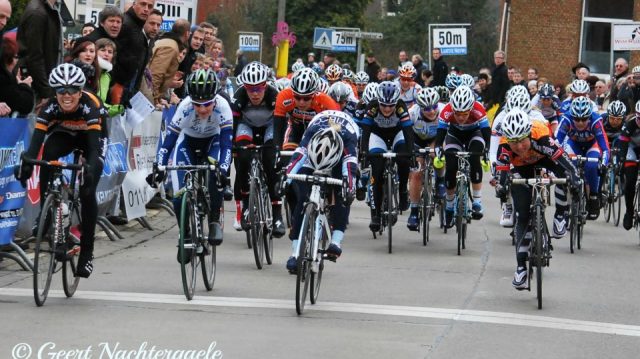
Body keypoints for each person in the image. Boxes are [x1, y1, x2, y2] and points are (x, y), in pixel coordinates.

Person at [16, 63, 107, 278]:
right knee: (47, 156)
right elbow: (35, 144)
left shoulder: (90, 105)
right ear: (55, 92)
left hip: (92, 138)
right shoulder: (49, 108)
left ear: (80, 90)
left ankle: (87, 252)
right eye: (61, 91)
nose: (67, 96)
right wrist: (28, 163)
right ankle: (47, 211)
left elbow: (95, 148)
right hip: (64, 134)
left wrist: (91, 168)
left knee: (87, 190)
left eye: (72, 90)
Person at [148, 69, 232, 260]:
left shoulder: (224, 107)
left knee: (216, 172)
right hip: (187, 142)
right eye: (197, 104)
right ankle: (185, 233)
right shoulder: (184, 107)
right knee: (179, 196)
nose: (202, 110)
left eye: (207, 104)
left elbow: (227, 145)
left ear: (215, 99)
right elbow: (169, 142)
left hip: (213, 141)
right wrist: (159, 167)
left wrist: (224, 170)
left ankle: (213, 221)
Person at [495, 108, 579, 289]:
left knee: (565, 176)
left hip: (544, 159)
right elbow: (502, 173)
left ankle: (560, 215)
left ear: (529, 134)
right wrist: (502, 188)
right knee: (523, 215)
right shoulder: (504, 146)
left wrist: (574, 176)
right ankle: (520, 268)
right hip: (520, 168)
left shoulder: (540, 135)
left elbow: (564, 160)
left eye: (522, 141)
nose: (519, 147)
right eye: (514, 143)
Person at [284, 110, 358, 272]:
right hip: (313, 155)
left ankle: (336, 241)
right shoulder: (311, 133)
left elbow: (351, 168)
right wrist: (286, 178)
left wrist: (349, 188)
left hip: (338, 157)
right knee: (302, 197)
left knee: (342, 194)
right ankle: (295, 253)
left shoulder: (348, 140)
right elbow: (298, 155)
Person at [231, 62, 285, 237]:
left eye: (259, 89)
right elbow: (233, 124)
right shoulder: (239, 97)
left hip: (270, 127)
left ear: (265, 85)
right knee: (243, 160)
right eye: (250, 89)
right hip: (247, 126)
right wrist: (235, 147)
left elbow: (280, 125)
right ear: (244, 87)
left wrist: (277, 146)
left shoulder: (274, 95)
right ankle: (246, 206)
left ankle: (277, 216)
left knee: (271, 163)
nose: (254, 94)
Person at [361, 81, 415, 231]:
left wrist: (411, 152)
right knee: (376, 173)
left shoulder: (400, 106)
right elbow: (365, 131)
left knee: (404, 159)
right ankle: (376, 215)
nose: (387, 108)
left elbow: (408, 131)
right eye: (383, 105)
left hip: (397, 134)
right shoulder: (372, 106)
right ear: (378, 101)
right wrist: (364, 153)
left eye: (391, 105)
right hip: (377, 135)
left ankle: (403, 190)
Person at [436, 85, 490, 226]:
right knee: (451, 166)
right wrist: (437, 148)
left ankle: (477, 201)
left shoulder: (478, 108)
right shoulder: (447, 110)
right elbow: (441, 132)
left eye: (465, 114)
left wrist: (487, 150)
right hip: (454, 135)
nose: (461, 117)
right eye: (457, 114)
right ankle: (449, 205)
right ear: (452, 109)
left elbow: (485, 130)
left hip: (474, 134)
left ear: (471, 109)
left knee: (474, 158)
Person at [556, 96, 610, 220]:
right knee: (569, 166)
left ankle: (593, 196)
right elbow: (556, 143)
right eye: (577, 119)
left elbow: (605, 147)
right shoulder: (566, 119)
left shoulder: (596, 121)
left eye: (584, 119)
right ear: (572, 116)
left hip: (591, 145)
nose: (580, 122)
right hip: (573, 145)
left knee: (591, 167)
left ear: (589, 116)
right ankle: (568, 196)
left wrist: (604, 163)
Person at [406, 87, 446, 230]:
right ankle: (414, 211)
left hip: (437, 138)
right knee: (416, 173)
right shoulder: (412, 113)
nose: (432, 111)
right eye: (427, 109)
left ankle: (441, 180)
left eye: (434, 107)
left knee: (437, 154)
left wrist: (437, 146)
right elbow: (406, 133)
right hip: (417, 140)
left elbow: (449, 132)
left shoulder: (443, 111)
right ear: (420, 107)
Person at [16, 0, 64, 105]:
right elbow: (33, 56)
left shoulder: (50, 9)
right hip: (36, 89)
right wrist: (46, 92)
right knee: (31, 121)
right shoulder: (37, 12)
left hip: (43, 85)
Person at [110, 0, 156, 105]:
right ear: (134, 4)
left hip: (127, 91)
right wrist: (118, 87)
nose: (146, 9)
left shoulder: (137, 26)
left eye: (150, 6)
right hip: (118, 90)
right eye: (143, 4)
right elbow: (116, 59)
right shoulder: (126, 24)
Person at [148, 18, 189, 106]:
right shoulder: (171, 47)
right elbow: (156, 74)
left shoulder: (167, 42)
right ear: (187, 34)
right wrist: (155, 100)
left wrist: (159, 98)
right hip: (147, 98)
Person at [618, 101, 640, 230]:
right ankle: (629, 211)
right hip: (631, 147)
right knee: (630, 181)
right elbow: (623, 144)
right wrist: (622, 159)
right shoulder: (630, 124)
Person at [1, 35, 34, 116]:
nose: (17, 61)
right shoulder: (3, 79)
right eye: (16, 57)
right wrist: (25, 85)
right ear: (7, 58)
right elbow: (25, 105)